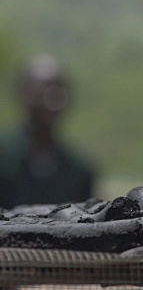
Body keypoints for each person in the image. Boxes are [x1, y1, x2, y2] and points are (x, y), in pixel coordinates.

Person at [0, 54, 94, 208]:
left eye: (59, 89)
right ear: (23, 92)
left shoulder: (78, 169)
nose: (52, 98)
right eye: (43, 88)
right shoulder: (4, 156)